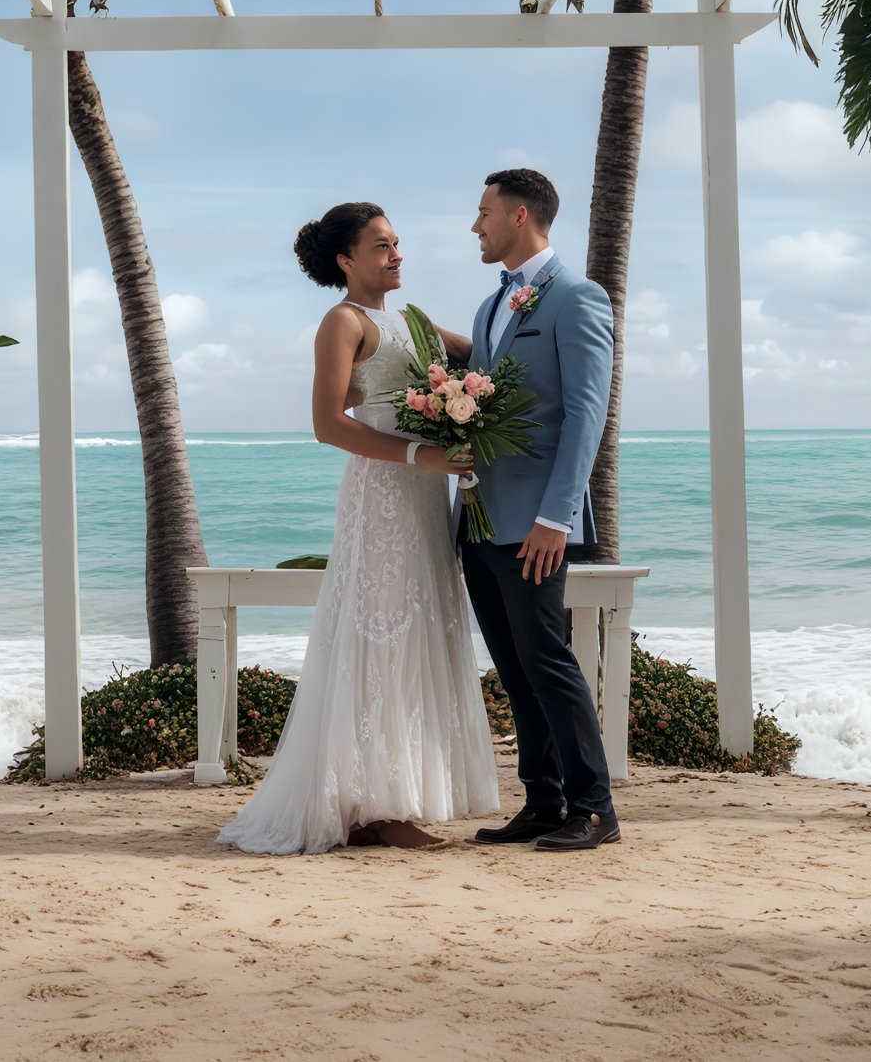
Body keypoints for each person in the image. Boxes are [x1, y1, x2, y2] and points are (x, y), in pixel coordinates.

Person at [216, 203, 501, 854]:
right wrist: (417, 451)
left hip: (427, 500)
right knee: (384, 635)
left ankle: (396, 798)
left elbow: (486, 355)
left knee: (422, 628)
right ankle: (378, 810)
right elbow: (327, 422)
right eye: (380, 246)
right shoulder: (342, 321)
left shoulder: (413, 321)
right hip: (383, 497)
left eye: (398, 244)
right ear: (346, 260)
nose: (396, 255)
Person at [457, 168, 619, 852]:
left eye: (484, 212)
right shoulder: (490, 306)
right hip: (480, 520)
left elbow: (587, 412)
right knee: (516, 670)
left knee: (548, 661)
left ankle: (594, 809)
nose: (476, 225)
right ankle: (543, 801)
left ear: (519, 216)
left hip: (536, 525)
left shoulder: (577, 297)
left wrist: (558, 517)